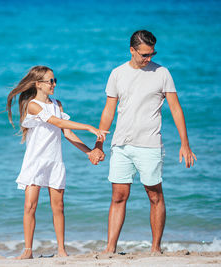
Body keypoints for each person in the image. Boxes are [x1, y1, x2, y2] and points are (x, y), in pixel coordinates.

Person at [89, 30, 197, 254]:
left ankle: (155, 248)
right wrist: (99, 144)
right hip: (121, 144)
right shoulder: (117, 73)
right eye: (144, 54)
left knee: (155, 194)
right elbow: (109, 111)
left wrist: (184, 143)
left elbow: (176, 109)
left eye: (151, 54)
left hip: (150, 144)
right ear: (132, 50)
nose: (149, 59)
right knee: (118, 196)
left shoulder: (162, 73)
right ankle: (110, 248)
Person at [6, 66, 108, 259]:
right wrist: (89, 127)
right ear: (38, 84)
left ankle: (62, 250)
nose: (53, 84)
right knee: (30, 206)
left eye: (54, 80)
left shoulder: (57, 104)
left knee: (58, 206)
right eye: (49, 81)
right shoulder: (33, 105)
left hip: (55, 161)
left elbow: (67, 133)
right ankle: (28, 251)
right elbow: (58, 123)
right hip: (35, 161)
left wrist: (89, 152)